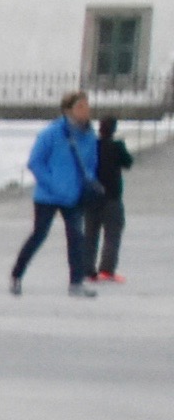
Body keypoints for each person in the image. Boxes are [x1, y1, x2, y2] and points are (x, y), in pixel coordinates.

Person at [12, 91, 101, 296]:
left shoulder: (89, 135)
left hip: (74, 195)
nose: (86, 110)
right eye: (80, 106)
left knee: (76, 238)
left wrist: (88, 181)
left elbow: (91, 163)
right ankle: (17, 275)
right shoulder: (51, 133)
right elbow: (35, 162)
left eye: (87, 106)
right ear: (68, 110)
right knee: (39, 235)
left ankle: (76, 282)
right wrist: (52, 184)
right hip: (48, 196)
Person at [90, 115, 133, 285]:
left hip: (92, 196)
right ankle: (106, 270)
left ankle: (87, 269)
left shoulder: (92, 146)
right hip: (112, 197)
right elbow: (128, 163)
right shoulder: (117, 146)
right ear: (114, 129)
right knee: (112, 235)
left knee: (90, 234)